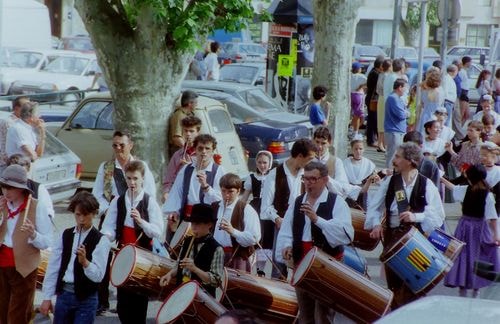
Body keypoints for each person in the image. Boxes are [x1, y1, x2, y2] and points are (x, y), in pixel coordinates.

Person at [365, 143, 444, 308]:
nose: (393, 160)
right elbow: (373, 207)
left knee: (413, 286)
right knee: (393, 284)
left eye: (398, 157)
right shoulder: (390, 182)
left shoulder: (426, 184)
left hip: (416, 242)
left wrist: (415, 216)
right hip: (392, 238)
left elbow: (438, 216)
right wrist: (376, 224)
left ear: (410, 161)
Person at [277, 162, 353, 323]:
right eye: (305, 179)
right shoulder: (298, 202)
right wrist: (287, 245)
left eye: (313, 179)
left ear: (325, 180)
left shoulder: (336, 202)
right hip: (301, 263)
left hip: (328, 266)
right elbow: (286, 229)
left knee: (323, 315)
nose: (308, 183)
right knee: (305, 314)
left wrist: (317, 220)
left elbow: (346, 235)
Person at [91, 130, 155, 314]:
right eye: (115, 145)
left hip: (135, 218)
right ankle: (102, 301)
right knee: (103, 256)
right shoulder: (106, 167)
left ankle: (131, 303)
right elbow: (97, 193)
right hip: (111, 215)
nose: (118, 149)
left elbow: (149, 192)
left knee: (134, 261)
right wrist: (111, 206)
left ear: (131, 145)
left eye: (122, 145)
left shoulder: (141, 166)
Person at [101, 160, 164, 324]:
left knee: (138, 305)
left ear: (142, 178)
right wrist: (105, 237)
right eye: (128, 178)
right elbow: (109, 227)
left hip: (143, 258)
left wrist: (141, 222)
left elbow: (157, 231)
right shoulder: (118, 201)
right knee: (122, 306)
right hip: (123, 255)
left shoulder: (149, 201)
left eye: (135, 178)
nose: (132, 182)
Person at [39, 192, 111, 323]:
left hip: (87, 299)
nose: (81, 219)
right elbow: (54, 267)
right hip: (64, 295)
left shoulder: (101, 240)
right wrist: (47, 297)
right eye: (78, 215)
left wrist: (85, 263)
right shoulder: (65, 235)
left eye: (86, 215)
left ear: (94, 213)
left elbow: (99, 276)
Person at [0, 164, 53, 324]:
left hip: (24, 269)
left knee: (17, 316)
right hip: (2, 266)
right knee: (2, 315)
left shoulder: (37, 207)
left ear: (21, 188)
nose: (6, 191)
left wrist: (33, 234)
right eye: (3, 187)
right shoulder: (2, 204)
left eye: (11, 187)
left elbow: (47, 242)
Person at [260, 139, 317, 279]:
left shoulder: (308, 174)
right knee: (279, 269)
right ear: (299, 156)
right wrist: (277, 219)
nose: (312, 162)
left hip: (304, 227)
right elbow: (265, 208)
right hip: (282, 226)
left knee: (304, 268)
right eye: (310, 159)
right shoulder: (275, 175)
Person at [443, 164, 499, 298]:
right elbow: (492, 218)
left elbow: (453, 188)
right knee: (478, 257)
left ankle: (462, 288)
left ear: (470, 178)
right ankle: (476, 291)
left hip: (465, 227)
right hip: (479, 228)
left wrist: (441, 179)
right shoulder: (488, 195)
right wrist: (496, 235)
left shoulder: (466, 190)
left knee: (463, 257)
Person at [159, 203, 224, 297]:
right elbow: (179, 265)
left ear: (209, 224)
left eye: (197, 224)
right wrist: (170, 274)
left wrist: (195, 269)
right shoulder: (187, 241)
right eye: (192, 223)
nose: (193, 227)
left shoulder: (217, 249)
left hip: (201, 298)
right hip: (181, 292)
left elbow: (216, 281)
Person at [163, 134, 225, 232]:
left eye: (207, 149)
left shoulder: (218, 171)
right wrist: (174, 211)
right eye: (200, 148)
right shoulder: (186, 169)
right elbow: (177, 192)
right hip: (187, 218)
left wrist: (206, 186)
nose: (204, 152)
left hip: (206, 220)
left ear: (212, 151)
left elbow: (220, 199)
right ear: (195, 150)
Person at [212, 173, 261, 271]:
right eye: (223, 191)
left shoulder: (246, 209)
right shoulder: (215, 206)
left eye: (231, 192)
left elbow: (254, 238)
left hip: (237, 257)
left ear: (238, 191)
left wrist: (233, 231)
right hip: (215, 254)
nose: (226, 195)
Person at [240, 150, 273, 275]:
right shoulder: (252, 177)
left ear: (269, 163)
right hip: (255, 208)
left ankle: (261, 269)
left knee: (266, 240)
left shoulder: (273, 176)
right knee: (254, 236)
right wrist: (239, 208)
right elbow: (245, 196)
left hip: (268, 208)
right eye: (259, 162)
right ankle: (251, 264)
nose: (262, 165)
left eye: (265, 162)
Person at [163, 116, 202, 201]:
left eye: (191, 131)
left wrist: (190, 167)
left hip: (198, 197)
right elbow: (169, 178)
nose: (188, 134)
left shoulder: (203, 154)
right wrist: (166, 193)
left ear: (198, 132)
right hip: (180, 197)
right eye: (185, 131)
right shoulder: (178, 155)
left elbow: (208, 177)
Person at [8, 154, 54, 219]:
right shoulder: (3, 188)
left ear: (28, 170)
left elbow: (48, 212)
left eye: (22, 173)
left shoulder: (38, 188)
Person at [343, 139, 376, 209]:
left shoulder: (368, 164)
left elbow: (373, 179)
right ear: (352, 149)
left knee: (362, 210)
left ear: (364, 149)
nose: (358, 151)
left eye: (360, 149)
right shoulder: (345, 163)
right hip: (349, 191)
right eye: (356, 149)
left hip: (363, 191)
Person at [384, 78, 410, 168]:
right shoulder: (393, 98)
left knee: (395, 154)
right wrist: (407, 113)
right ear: (400, 87)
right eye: (405, 88)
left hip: (397, 130)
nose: (406, 90)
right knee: (392, 156)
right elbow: (401, 114)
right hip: (394, 131)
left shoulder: (397, 98)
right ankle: (387, 176)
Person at [0, 96, 30, 171]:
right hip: (9, 164)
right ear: (17, 108)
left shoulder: (24, 121)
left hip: (22, 162)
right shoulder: (9, 122)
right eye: (26, 106)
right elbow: (20, 143)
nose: (29, 109)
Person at [168, 90, 197, 155]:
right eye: (196, 103)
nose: (197, 105)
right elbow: (176, 138)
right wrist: (188, 151)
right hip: (180, 150)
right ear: (190, 103)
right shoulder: (179, 115)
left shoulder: (190, 114)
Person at [416, 67, 444, 134]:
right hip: (436, 115)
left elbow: (422, 103)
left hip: (425, 115)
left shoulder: (424, 91)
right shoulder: (440, 91)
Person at [365, 56, 384, 147]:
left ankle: (372, 139)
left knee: (372, 119)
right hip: (373, 99)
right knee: (373, 120)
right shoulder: (375, 74)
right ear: (380, 65)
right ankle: (371, 140)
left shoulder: (374, 72)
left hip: (371, 99)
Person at [458, 56, 472, 123]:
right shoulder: (461, 72)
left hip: (466, 92)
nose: (471, 64)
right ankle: (458, 130)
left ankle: (460, 127)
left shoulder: (466, 71)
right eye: (470, 62)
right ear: (467, 62)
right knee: (461, 113)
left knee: (467, 114)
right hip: (462, 92)